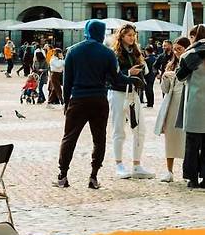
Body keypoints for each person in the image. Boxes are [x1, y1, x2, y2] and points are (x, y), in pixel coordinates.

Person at [55, 19, 141, 189]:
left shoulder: (73, 51)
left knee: (69, 138)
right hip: (99, 100)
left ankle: (62, 176)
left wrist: (65, 102)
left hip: (78, 100)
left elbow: (67, 81)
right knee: (99, 139)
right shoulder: (107, 53)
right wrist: (132, 79)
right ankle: (93, 177)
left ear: (87, 31)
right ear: (101, 33)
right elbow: (117, 78)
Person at [109, 24, 154, 180]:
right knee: (119, 129)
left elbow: (146, 72)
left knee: (140, 129)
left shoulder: (135, 52)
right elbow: (112, 75)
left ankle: (136, 165)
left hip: (133, 93)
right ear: (121, 36)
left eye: (133, 35)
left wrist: (142, 66)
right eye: (129, 35)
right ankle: (119, 164)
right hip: (118, 93)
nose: (132, 38)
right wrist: (129, 72)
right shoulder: (114, 53)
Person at [154, 37, 190, 183]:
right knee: (170, 136)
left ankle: (187, 171)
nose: (176, 52)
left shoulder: (192, 64)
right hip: (172, 102)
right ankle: (169, 171)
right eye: (175, 49)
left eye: (179, 49)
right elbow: (165, 90)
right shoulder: (171, 64)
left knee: (186, 139)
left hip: (186, 102)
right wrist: (165, 78)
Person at [176, 24, 205, 189]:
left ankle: (192, 178)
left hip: (195, 103)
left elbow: (180, 77)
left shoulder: (189, 54)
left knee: (192, 144)